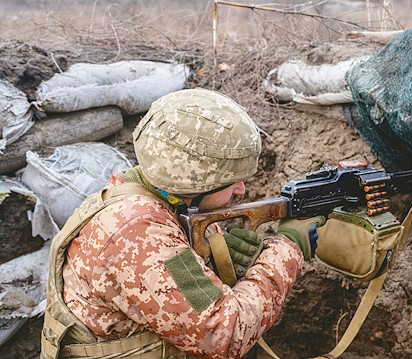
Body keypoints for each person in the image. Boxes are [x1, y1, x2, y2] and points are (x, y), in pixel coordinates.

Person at [40, 89, 324, 359]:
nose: (241, 190)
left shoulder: (169, 201)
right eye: (229, 182)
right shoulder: (137, 232)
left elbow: (177, 278)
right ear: (192, 183)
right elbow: (224, 334)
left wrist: (215, 261)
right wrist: (289, 247)